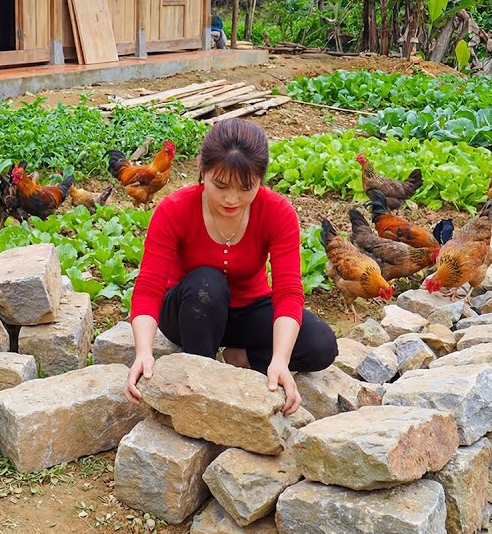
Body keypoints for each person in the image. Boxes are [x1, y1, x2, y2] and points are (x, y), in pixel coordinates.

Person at [123, 119, 337, 414]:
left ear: (261, 178)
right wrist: (144, 352)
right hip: (190, 311)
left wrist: (280, 361)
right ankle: (202, 379)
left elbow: (288, 293)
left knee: (320, 344)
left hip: (247, 310)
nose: (232, 198)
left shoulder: (277, 212)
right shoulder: (174, 209)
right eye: (220, 185)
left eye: (245, 188)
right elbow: (148, 288)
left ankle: (242, 357)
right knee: (206, 283)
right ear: (202, 171)